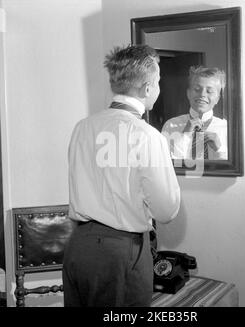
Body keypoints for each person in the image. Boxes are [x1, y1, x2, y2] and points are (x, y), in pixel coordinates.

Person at [62, 44, 180, 307]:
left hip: (78, 247)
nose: (159, 89)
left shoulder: (82, 128)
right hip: (120, 252)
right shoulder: (148, 136)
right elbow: (166, 210)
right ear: (148, 88)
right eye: (158, 82)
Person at [161, 66, 228, 160]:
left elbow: (233, 171)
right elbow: (166, 164)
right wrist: (183, 137)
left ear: (217, 99)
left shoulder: (226, 129)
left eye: (209, 91)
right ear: (188, 93)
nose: (202, 95)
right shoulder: (170, 125)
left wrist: (220, 149)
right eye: (197, 89)